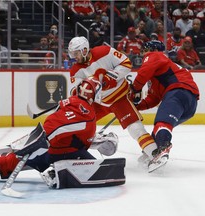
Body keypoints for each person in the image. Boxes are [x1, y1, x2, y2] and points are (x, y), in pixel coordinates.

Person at [0, 78, 123, 189]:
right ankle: (57, 174)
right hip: (59, 152)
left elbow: (71, 132)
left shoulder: (74, 103)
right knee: (104, 171)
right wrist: (44, 138)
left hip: (62, 148)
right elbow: (59, 127)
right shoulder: (85, 112)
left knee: (16, 158)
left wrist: (98, 141)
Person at [68, 36, 163, 173]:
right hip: (98, 102)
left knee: (135, 128)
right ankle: (72, 154)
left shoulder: (104, 51)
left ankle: (155, 155)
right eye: (72, 54)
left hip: (119, 97)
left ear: (84, 50)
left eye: (75, 53)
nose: (73, 57)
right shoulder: (76, 70)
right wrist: (86, 90)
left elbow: (126, 63)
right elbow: (75, 93)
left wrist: (111, 77)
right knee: (80, 124)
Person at [130, 40, 199, 171]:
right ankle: (151, 154)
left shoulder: (155, 56)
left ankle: (162, 149)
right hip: (189, 104)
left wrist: (135, 89)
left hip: (178, 92)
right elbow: (154, 98)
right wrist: (137, 107)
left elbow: (144, 71)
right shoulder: (161, 70)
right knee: (160, 127)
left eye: (145, 51)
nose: (144, 55)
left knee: (161, 122)